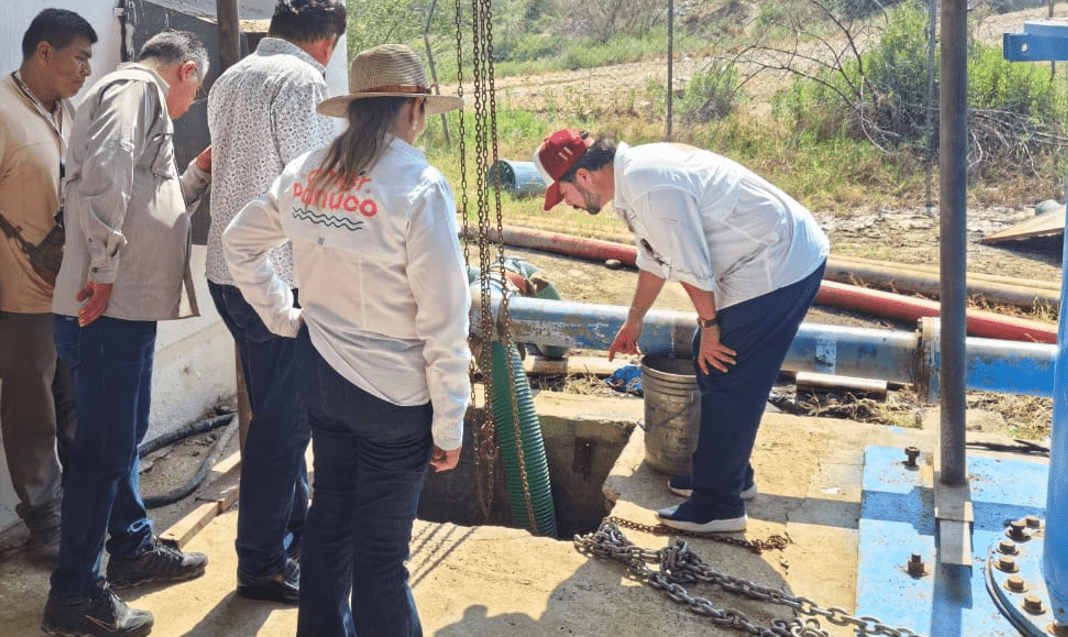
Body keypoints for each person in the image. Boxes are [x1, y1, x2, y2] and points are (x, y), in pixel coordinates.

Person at [223, 44, 471, 637]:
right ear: (413, 109)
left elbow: (238, 241)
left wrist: (284, 316)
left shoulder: (307, 171)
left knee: (331, 519)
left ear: (354, 109)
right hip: (392, 396)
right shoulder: (419, 185)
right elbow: (444, 318)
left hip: (322, 376)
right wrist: (450, 421)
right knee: (381, 554)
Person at [535, 129, 829, 534]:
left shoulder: (648, 186)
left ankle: (719, 505)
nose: (567, 203)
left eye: (564, 193)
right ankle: (729, 477)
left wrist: (711, 327)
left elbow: (692, 267)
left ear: (583, 177)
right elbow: (655, 259)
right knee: (707, 357)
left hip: (779, 262)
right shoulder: (631, 180)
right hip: (764, 255)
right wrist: (635, 319)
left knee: (726, 369)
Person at [42, 30, 212, 637]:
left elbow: (148, 203)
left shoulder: (138, 98)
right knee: (103, 452)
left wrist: (195, 174)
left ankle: (132, 548)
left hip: (122, 312)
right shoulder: (136, 87)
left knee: (120, 439)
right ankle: (74, 596)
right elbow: (106, 170)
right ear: (186, 71)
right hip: (104, 310)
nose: (189, 106)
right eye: (196, 91)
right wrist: (103, 269)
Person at [203, 0, 346, 605]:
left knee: (277, 416)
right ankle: (260, 565)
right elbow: (316, 187)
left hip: (227, 273)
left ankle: (292, 534)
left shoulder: (229, 78)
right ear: (327, 42)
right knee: (284, 429)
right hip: (277, 280)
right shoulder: (306, 82)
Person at [0, 8, 96, 564]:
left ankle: (83, 506)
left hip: (70, 290)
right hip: (20, 294)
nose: (87, 69)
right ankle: (45, 519)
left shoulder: (65, 111)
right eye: (80, 57)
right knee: (33, 412)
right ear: (44, 52)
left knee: (75, 402)